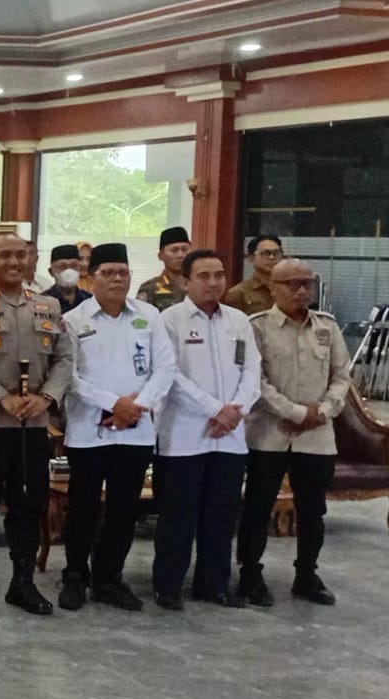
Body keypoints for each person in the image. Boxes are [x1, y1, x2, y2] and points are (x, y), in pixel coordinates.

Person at [0, 233, 74, 616]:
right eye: (4, 255)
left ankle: (22, 583)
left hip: (33, 425)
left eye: (21, 255)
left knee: (28, 506)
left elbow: (64, 359)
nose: (13, 262)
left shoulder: (48, 305)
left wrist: (47, 398)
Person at [59, 243, 176, 611]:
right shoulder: (74, 320)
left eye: (122, 272)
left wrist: (136, 407)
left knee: (124, 510)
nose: (116, 279)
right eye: (107, 273)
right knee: (83, 508)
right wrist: (115, 404)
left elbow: (166, 368)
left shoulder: (150, 316)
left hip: (136, 430)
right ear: (90, 278)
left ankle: (109, 578)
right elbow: (69, 377)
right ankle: (75, 577)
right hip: (88, 430)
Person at [235, 259, 352, 606]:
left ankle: (307, 575)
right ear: (273, 288)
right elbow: (254, 380)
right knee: (257, 508)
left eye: (307, 283)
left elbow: (342, 376)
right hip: (268, 434)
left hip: (316, 437)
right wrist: (296, 413)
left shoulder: (327, 327)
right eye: (292, 284)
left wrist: (323, 411)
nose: (301, 290)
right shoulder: (257, 327)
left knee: (313, 510)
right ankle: (250, 575)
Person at [151, 249, 261, 610]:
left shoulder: (238, 321)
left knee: (221, 515)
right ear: (185, 281)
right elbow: (169, 376)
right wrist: (215, 410)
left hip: (230, 437)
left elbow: (252, 371)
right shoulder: (169, 320)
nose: (213, 282)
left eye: (219, 275)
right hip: (184, 435)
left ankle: (213, 584)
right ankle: (168, 585)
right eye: (203, 276)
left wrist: (235, 410)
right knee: (177, 516)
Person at [225, 234, 283, 315]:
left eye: (276, 253)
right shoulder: (238, 293)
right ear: (251, 258)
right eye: (266, 253)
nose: (272, 257)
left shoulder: (288, 289)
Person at [137, 226, 191, 310]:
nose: (180, 255)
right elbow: (141, 316)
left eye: (184, 250)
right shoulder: (150, 288)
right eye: (174, 250)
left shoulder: (199, 285)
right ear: (160, 256)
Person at [48, 243, 91, 313]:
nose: (69, 271)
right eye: (62, 266)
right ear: (51, 272)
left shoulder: (89, 300)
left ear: (79, 269)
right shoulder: (41, 300)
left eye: (74, 266)